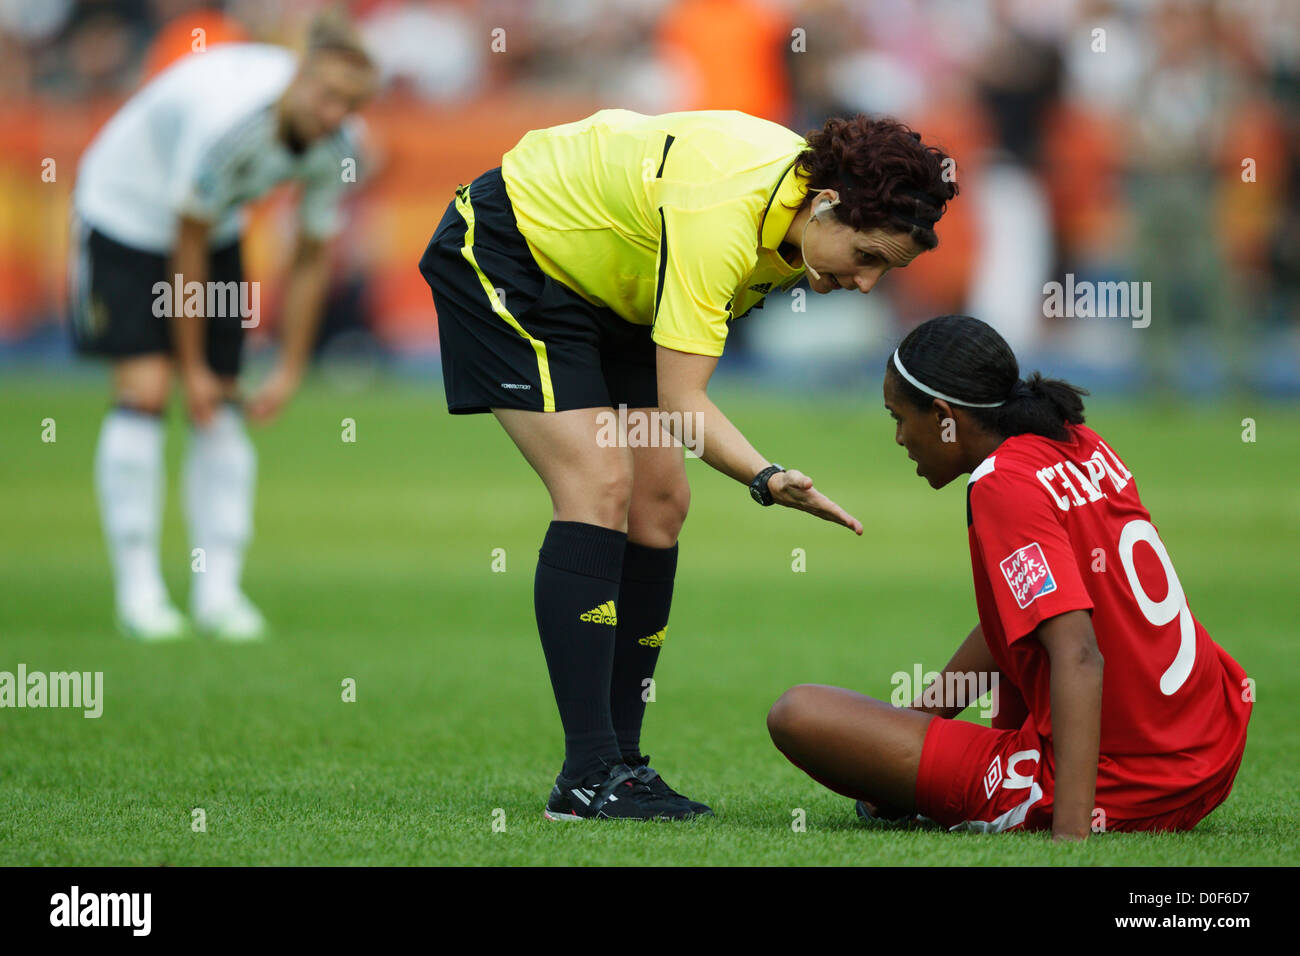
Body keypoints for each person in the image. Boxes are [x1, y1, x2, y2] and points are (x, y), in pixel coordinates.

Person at [419, 109, 957, 820]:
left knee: (659, 507)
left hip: (613, 289)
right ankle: (586, 777)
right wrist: (766, 478)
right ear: (826, 205)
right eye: (867, 257)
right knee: (599, 483)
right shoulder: (725, 212)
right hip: (514, 249)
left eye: (885, 269)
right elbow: (680, 399)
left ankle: (622, 767)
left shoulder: (803, 216)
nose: (866, 283)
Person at [766, 314, 1252, 839]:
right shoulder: (1077, 439)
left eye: (899, 417)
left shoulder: (1000, 483)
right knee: (1021, 636)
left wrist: (1071, 836)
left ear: (943, 415)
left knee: (798, 714)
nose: (901, 438)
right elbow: (1020, 620)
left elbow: (1078, 653)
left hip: (1131, 781)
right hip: (1210, 743)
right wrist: (907, 731)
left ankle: (1042, 799)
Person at [69, 13, 376, 641]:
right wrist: (197, 367)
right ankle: (140, 593)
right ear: (298, 79)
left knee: (223, 408)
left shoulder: (339, 145)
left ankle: (219, 592)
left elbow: (312, 256)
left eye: (350, 104)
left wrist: (290, 367)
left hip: (218, 227)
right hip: (127, 213)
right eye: (326, 97)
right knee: (149, 392)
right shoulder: (229, 124)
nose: (333, 114)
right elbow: (186, 247)